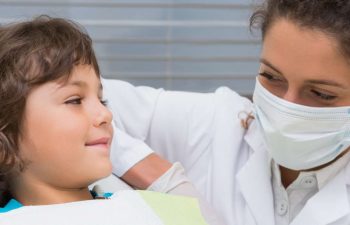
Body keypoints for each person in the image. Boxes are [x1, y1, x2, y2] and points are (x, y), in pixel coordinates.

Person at [104, 0, 350, 224]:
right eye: (271, 77)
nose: (287, 105)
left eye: (322, 94)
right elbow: (79, 96)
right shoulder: (218, 125)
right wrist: (161, 176)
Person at [0, 15, 221, 225]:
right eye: (75, 100)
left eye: (102, 100)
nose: (106, 115)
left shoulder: (159, 210)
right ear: (5, 144)